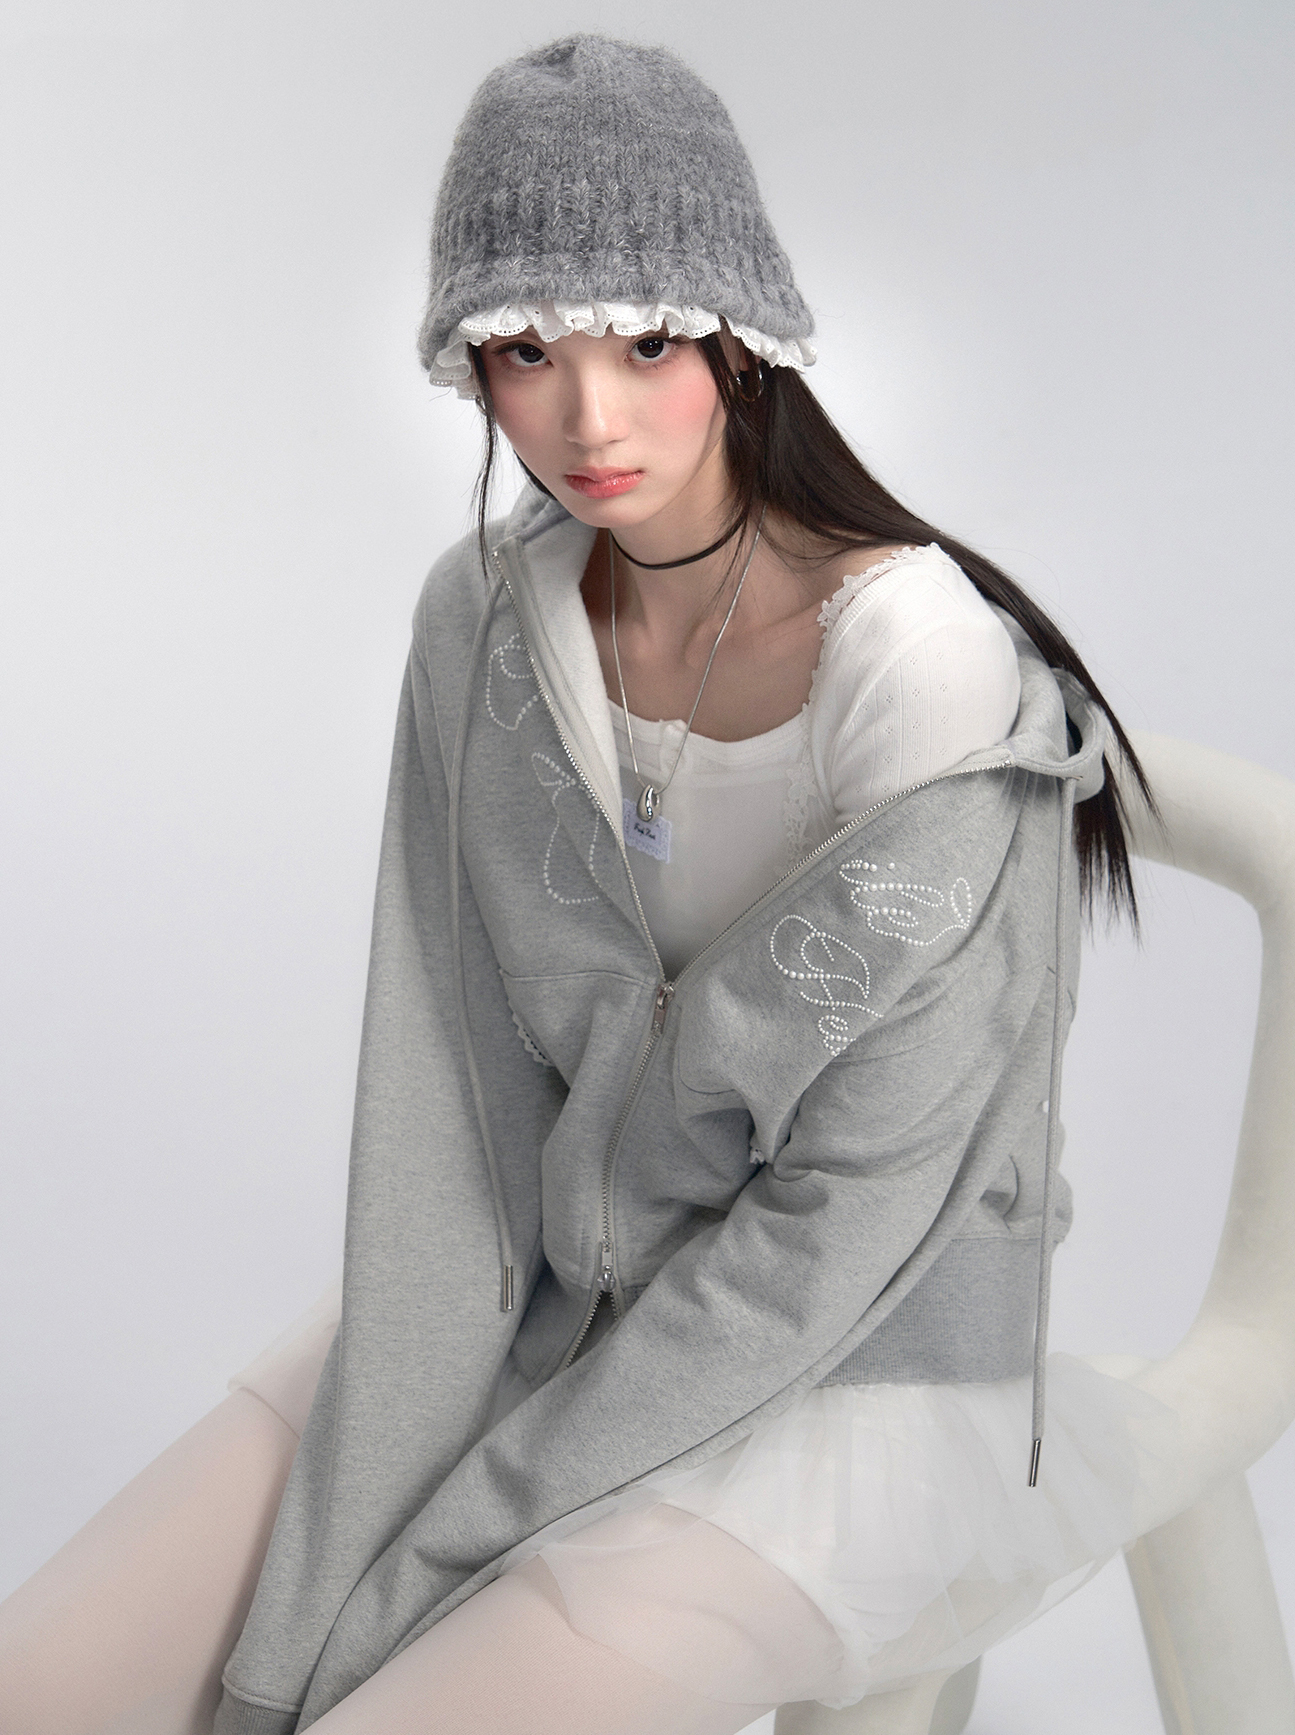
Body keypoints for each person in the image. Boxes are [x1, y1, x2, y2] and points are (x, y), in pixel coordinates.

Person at [0, 33, 1183, 1735]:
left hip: (853, 1371)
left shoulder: (920, 669)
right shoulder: (484, 623)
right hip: (540, 1294)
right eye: (523, 352)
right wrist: (382, 1473)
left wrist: (428, 1554)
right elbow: (445, 1091)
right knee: (46, 1683)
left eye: (643, 342)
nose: (586, 418)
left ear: (740, 337)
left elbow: (847, 1225)